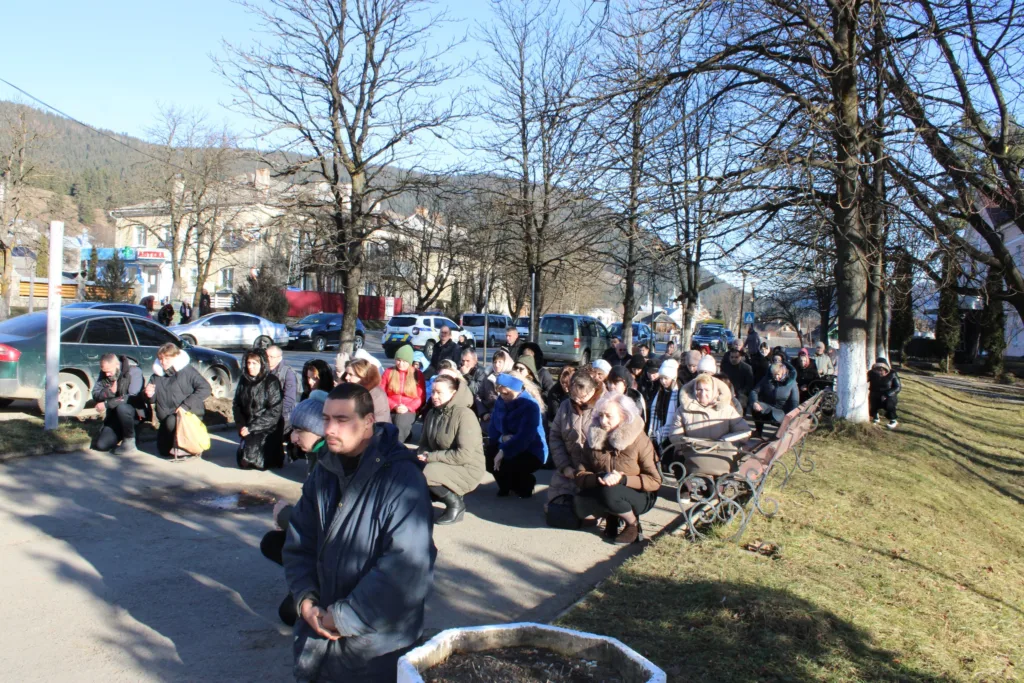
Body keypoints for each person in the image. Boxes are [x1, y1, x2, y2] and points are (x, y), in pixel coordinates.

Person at [282, 384, 436, 683]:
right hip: (318, 631)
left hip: (376, 646)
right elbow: (299, 542)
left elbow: (408, 569)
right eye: (326, 418)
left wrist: (344, 618)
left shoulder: (402, 480)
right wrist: (305, 601)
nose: (329, 428)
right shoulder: (325, 468)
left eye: (342, 420)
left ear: (368, 423)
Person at [261, 390, 328, 628]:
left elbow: (324, 524)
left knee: (289, 614)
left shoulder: (330, 464)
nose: (293, 438)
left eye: (300, 430)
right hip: (321, 548)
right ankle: (307, 586)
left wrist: (286, 516)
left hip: (332, 556)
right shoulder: (318, 456)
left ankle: (320, 593)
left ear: (319, 429)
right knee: (272, 542)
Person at [573, 393, 662, 545]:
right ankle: (612, 516)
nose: (603, 421)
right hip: (604, 487)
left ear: (624, 416)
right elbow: (580, 474)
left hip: (638, 494)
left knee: (611, 492)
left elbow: (654, 481)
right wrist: (599, 477)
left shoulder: (639, 440)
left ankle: (632, 524)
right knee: (579, 503)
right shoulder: (593, 437)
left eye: (609, 416)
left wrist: (623, 479)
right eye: (600, 415)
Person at [417, 375, 485, 525]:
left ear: (453, 393)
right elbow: (423, 443)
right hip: (442, 461)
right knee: (408, 465)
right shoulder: (432, 413)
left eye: (439, 392)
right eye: (433, 391)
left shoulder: (464, 415)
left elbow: (464, 455)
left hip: (467, 467)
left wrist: (431, 457)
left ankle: (456, 505)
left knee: (428, 472)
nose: (434, 396)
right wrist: (421, 455)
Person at [547, 371, 605, 520]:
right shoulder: (566, 406)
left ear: (592, 390)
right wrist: (564, 466)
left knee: (588, 513)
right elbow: (555, 437)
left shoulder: (604, 406)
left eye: (582, 397)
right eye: (574, 396)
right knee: (556, 509)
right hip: (569, 467)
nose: (577, 401)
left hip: (593, 469)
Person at [670, 373, 751, 478]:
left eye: (707, 390)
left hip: (721, 457)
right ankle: (685, 490)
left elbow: (744, 432)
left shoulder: (727, 409)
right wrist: (690, 442)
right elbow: (674, 434)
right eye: (699, 389)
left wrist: (726, 440)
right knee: (677, 456)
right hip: (693, 456)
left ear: (714, 391)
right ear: (694, 390)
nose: (703, 393)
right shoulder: (683, 410)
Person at [145, 343, 211, 460]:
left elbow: (205, 388)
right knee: (163, 451)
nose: (163, 362)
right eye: (160, 359)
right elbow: (152, 400)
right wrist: (148, 394)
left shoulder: (188, 371)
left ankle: (190, 446)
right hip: (165, 420)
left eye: (167, 358)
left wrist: (185, 406)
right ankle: (176, 443)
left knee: (172, 420)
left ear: (176, 357)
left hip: (188, 415)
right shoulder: (156, 376)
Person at [488, 374, 548, 497]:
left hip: (531, 450)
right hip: (505, 442)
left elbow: (525, 437)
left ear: (517, 390)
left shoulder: (530, 405)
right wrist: (501, 439)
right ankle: (506, 485)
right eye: (501, 393)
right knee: (488, 456)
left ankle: (526, 483)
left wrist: (504, 450)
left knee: (509, 461)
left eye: (507, 393)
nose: (503, 397)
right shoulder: (501, 401)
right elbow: (493, 426)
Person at [234, 348, 285, 470]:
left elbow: (275, 411)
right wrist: (241, 425)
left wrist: (252, 427)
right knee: (244, 461)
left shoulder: (271, 381)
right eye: (248, 363)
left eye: (254, 363)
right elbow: (237, 405)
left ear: (262, 364)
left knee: (258, 461)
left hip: (268, 426)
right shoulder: (243, 380)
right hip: (248, 425)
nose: (251, 367)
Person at [90, 353, 146, 454]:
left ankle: (130, 439)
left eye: (109, 371)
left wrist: (107, 404)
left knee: (122, 407)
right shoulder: (105, 373)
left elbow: (132, 397)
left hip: (133, 413)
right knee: (102, 445)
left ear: (117, 365)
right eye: (104, 372)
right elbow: (95, 394)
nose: (107, 374)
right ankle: (120, 434)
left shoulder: (134, 371)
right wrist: (109, 392)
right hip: (114, 415)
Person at [383, 345, 425, 443]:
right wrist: (394, 405)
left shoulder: (417, 374)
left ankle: (396, 447)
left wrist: (408, 408)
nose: (401, 364)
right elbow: (382, 393)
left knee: (400, 423)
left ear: (409, 362)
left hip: (409, 409)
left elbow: (420, 397)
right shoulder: (388, 372)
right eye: (398, 360)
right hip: (390, 406)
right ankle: (405, 435)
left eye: (404, 361)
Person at [749, 361, 799, 438]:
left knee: (776, 417)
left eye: (778, 375)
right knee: (756, 407)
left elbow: (794, 402)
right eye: (773, 375)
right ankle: (758, 431)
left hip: (782, 410)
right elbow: (754, 391)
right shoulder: (767, 379)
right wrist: (754, 402)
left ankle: (780, 433)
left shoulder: (791, 383)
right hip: (768, 406)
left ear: (783, 373)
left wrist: (790, 418)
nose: (775, 377)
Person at [343, 358, 391, 424]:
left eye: (351, 374)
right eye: (346, 374)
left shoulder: (376, 394)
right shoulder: (347, 390)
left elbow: (380, 422)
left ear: (361, 375)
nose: (346, 377)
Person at [477, 348, 514, 423]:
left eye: (500, 362)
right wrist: (484, 413)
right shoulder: (487, 378)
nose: (497, 365)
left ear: (506, 363)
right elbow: (479, 396)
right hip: (490, 418)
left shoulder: (513, 378)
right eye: (495, 362)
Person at [267, 346, 298, 429]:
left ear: (279, 358)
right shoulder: (263, 371)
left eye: (271, 357)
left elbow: (289, 399)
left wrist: (274, 414)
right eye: (266, 356)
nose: (268, 359)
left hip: (282, 418)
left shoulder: (287, 373)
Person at [868, 357, 901, 428]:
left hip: (889, 395)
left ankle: (893, 420)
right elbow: (865, 380)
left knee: (889, 404)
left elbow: (897, 387)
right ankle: (875, 418)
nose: (879, 371)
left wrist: (887, 394)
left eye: (881, 369)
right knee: (873, 401)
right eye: (878, 369)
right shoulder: (871, 373)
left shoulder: (893, 374)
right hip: (875, 393)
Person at [721, 346, 754, 415]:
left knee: (739, 402)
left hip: (741, 394)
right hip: (727, 391)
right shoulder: (725, 367)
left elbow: (749, 385)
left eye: (736, 357)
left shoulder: (747, 368)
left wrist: (739, 392)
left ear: (740, 357)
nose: (734, 359)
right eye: (732, 357)